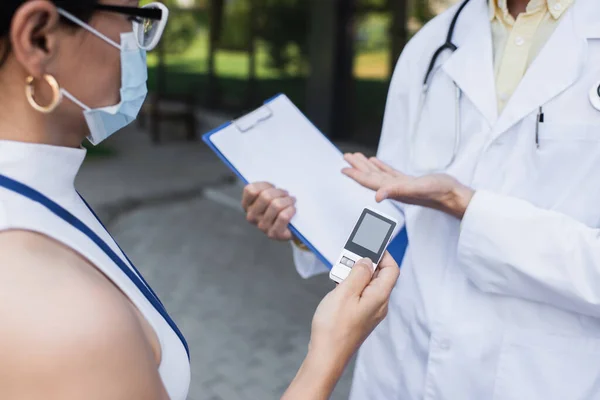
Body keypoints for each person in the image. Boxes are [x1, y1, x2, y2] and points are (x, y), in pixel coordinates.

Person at [0, 1, 400, 399]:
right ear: (39, 38)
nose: (141, 49)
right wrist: (330, 352)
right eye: (135, 20)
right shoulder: (57, 312)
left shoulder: (39, 194)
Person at [244, 0, 600, 398]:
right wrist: (308, 228)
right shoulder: (433, 41)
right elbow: (385, 205)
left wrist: (464, 203)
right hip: (401, 362)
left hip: (538, 374)